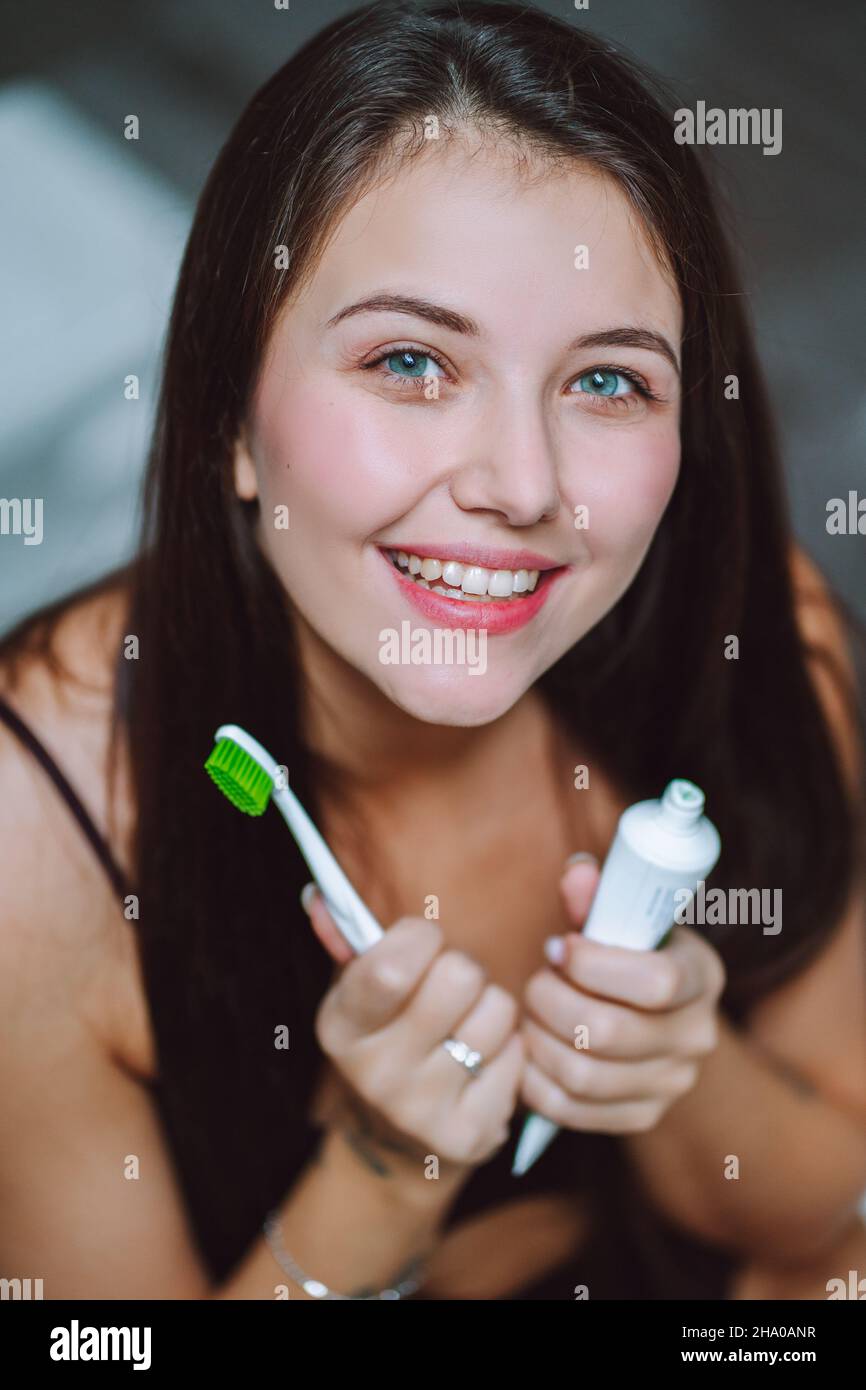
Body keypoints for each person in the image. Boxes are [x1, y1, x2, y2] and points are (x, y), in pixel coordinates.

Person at [1, 0, 865, 1301]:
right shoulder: (34, 838)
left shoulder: (754, 630)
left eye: (606, 381)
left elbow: (818, 1215)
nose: (522, 484)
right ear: (230, 415)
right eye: (409, 360)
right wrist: (382, 1163)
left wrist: (674, 1063)